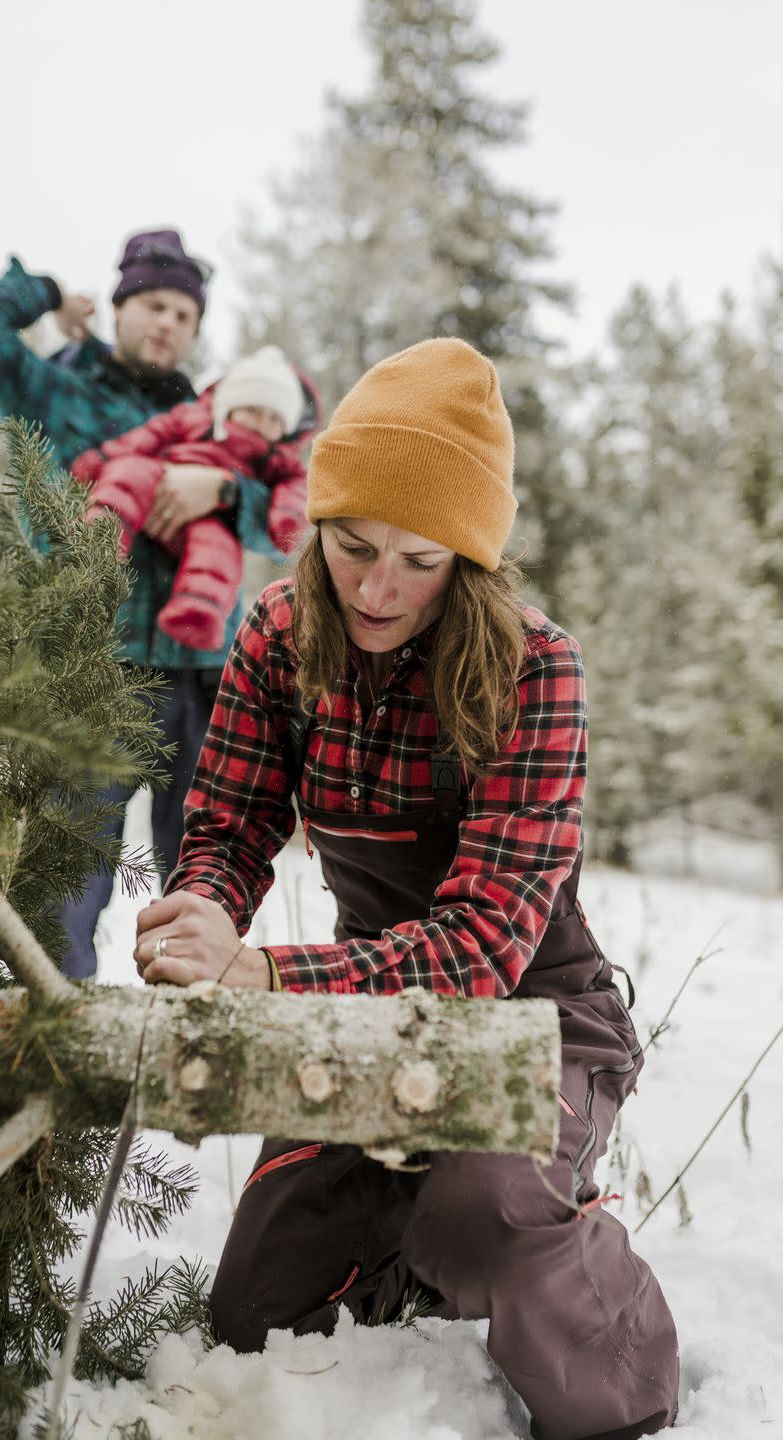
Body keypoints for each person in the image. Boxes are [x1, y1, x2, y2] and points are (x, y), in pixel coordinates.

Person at [133, 338, 680, 1440]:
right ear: (318, 521)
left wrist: (261, 972)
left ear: (469, 561)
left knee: (479, 1217)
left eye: (421, 560)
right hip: (363, 1017)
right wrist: (203, 906)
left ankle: (605, 1337)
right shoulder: (279, 635)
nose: (379, 587)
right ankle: (412, 1240)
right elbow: (232, 823)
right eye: (353, 544)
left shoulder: (535, 667)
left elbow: (481, 945)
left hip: (536, 1016)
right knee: (254, 1313)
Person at [0, 229, 310, 977]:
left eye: (184, 313)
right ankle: (58, 1033)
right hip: (88, 671)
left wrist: (224, 488)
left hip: (203, 678)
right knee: (63, 881)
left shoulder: (213, 414)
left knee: (208, 873)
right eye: (152, 304)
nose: (168, 322)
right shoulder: (54, 387)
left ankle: (190, 1034)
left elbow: (293, 503)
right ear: (116, 306)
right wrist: (42, 294)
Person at [72, 345, 316, 652]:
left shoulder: (277, 459)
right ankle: (101, 537)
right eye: (253, 410)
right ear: (228, 405)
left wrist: (283, 519)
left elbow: (295, 494)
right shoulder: (193, 418)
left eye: (274, 419)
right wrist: (103, 458)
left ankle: (199, 609)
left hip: (211, 519)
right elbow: (148, 436)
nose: (261, 423)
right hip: (160, 477)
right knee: (127, 472)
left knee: (217, 550)